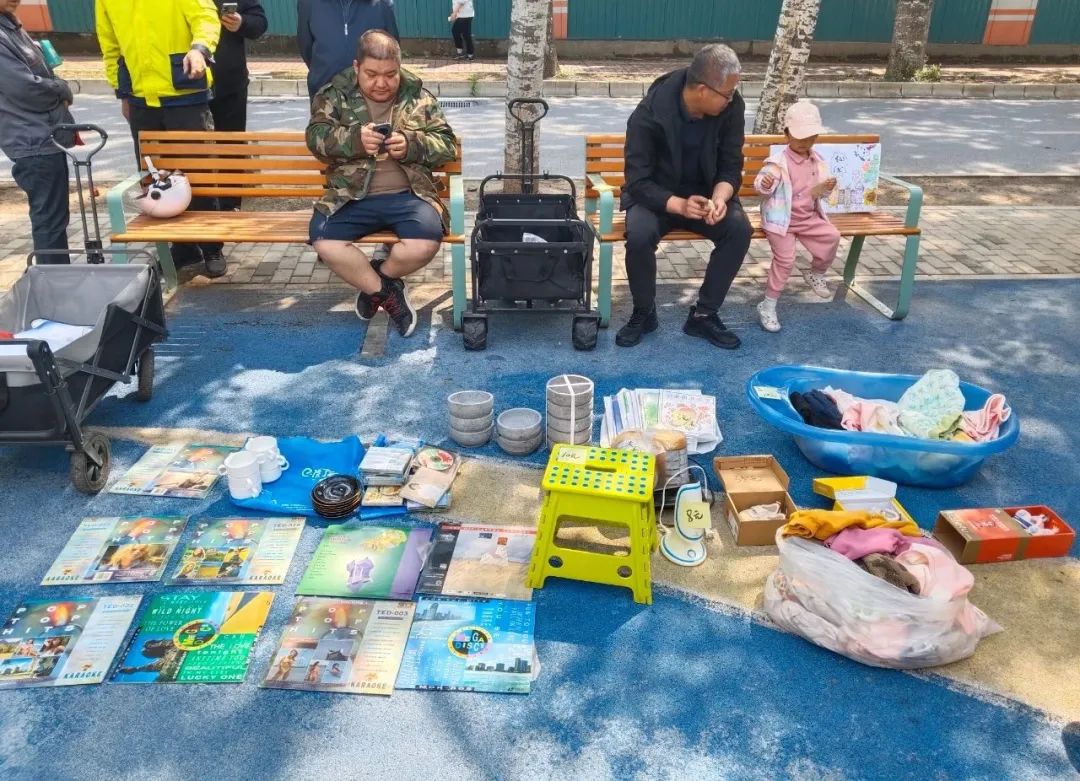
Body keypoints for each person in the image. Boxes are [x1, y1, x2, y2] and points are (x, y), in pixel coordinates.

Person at [307, 30, 457, 339]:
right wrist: (354, 140)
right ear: (357, 67)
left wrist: (413, 144)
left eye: (390, 74)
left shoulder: (418, 97)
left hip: (409, 194)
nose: (381, 83)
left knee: (426, 243)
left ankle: (374, 282)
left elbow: (446, 144)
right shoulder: (334, 95)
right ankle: (387, 294)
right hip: (351, 195)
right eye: (372, 74)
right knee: (324, 241)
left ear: (399, 68)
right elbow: (316, 137)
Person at [617, 43, 752, 350]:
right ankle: (644, 312)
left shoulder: (732, 108)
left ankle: (704, 315)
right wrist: (678, 204)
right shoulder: (649, 113)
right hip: (656, 198)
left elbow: (731, 164)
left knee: (739, 229)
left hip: (705, 198)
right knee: (639, 235)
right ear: (703, 90)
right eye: (727, 93)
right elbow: (637, 181)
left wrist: (721, 196)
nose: (731, 98)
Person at [96, 0, 228, 277]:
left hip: (185, 96)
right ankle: (183, 250)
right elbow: (109, 44)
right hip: (141, 99)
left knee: (199, 176)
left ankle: (211, 247)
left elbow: (206, 17)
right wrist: (122, 92)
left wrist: (199, 49)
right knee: (157, 179)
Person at [753, 101, 840, 333]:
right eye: (800, 137)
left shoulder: (817, 161)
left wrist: (827, 187)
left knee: (831, 236)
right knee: (785, 261)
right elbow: (760, 186)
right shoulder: (778, 163)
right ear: (787, 135)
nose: (805, 142)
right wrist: (765, 184)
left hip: (808, 218)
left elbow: (820, 192)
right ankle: (768, 305)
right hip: (780, 221)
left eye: (811, 137)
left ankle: (816, 272)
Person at [0, 0, 75, 260]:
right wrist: (61, 89)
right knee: (49, 222)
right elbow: (25, 89)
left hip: (45, 135)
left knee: (54, 218)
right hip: (32, 141)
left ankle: (54, 274)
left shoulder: (11, 26)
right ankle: (52, 279)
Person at [209, 0, 267, 212]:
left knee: (231, 148)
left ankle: (230, 206)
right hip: (186, 85)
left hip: (230, 84)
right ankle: (196, 207)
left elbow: (260, 23)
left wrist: (241, 22)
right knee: (190, 151)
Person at [297, 0, 399, 99]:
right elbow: (305, 45)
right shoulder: (309, 3)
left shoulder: (381, 4)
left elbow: (392, 50)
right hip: (323, 91)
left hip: (368, 97)